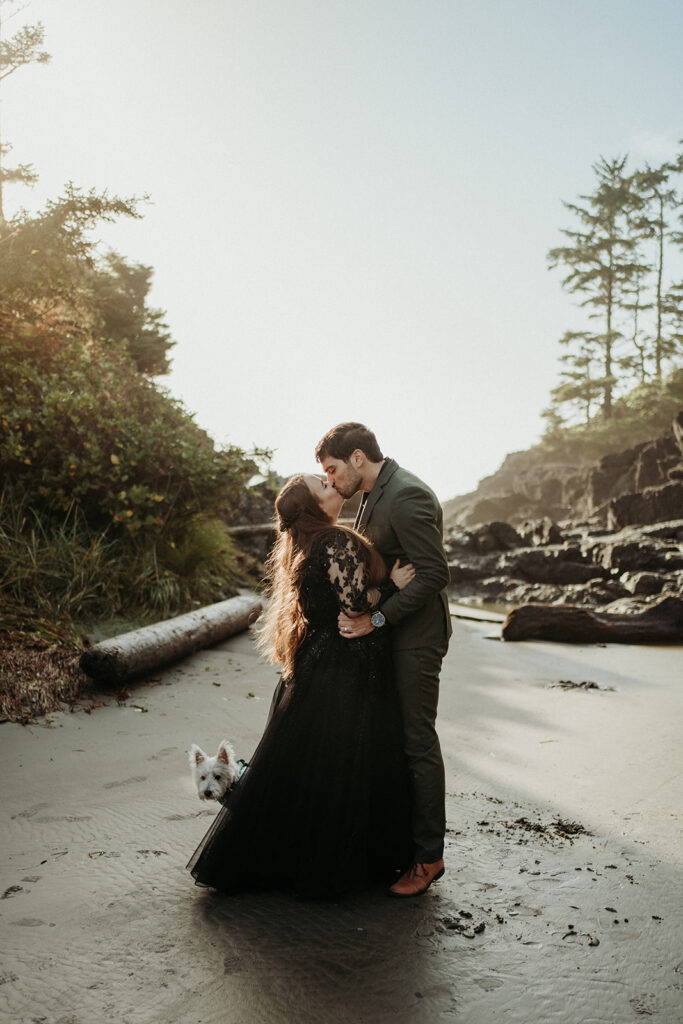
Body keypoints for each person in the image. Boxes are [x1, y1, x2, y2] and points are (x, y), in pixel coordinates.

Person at [187, 473, 415, 898]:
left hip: (315, 662)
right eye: (323, 486)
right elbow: (353, 603)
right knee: (341, 764)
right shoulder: (335, 541)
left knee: (311, 766)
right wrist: (391, 586)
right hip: (344, 665)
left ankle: (290, 859)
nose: (333, 486)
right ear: (313, 507)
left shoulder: (303, 546)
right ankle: (335, 863)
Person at [315, 423, 451, 897]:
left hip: (416, 639)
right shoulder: (374, 494)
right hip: (392, 637)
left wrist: (377, 621)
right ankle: (399, 847)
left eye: (331, 470)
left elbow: (434, 573)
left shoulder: (407, 494)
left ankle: (429, 857)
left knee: (416, 742)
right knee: (392, 741)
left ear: (356, 458)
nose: (329, 481)